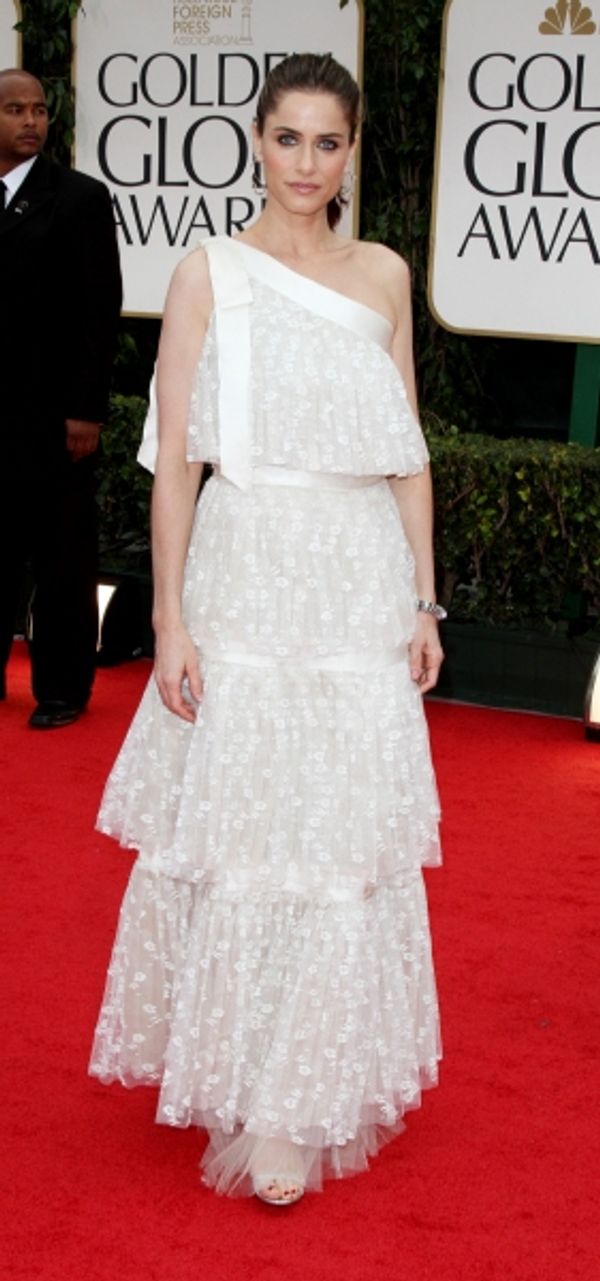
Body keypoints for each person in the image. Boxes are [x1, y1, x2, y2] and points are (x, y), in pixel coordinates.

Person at [90, 53, 444, 1205]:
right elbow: (176, 469)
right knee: (245, 834)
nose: (306, 163)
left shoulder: (385, 274)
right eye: (287, 139)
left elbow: (407, 452)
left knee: (336, 842)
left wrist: (423, 599)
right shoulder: (210, 274)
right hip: (246, 574)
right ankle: (243, 1061)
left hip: (353, 580)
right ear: (257, 139)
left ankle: (296, 1103)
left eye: (326, 142)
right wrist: (170, 618)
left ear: (353, 151)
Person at [0, 69, 122, 727]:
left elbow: (100, 312)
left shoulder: (77, 199)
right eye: (15, 109)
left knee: (62, 558)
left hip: (53, 417)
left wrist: (87, 409)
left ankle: (62, 690)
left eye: (40, 110)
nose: (30, 121)